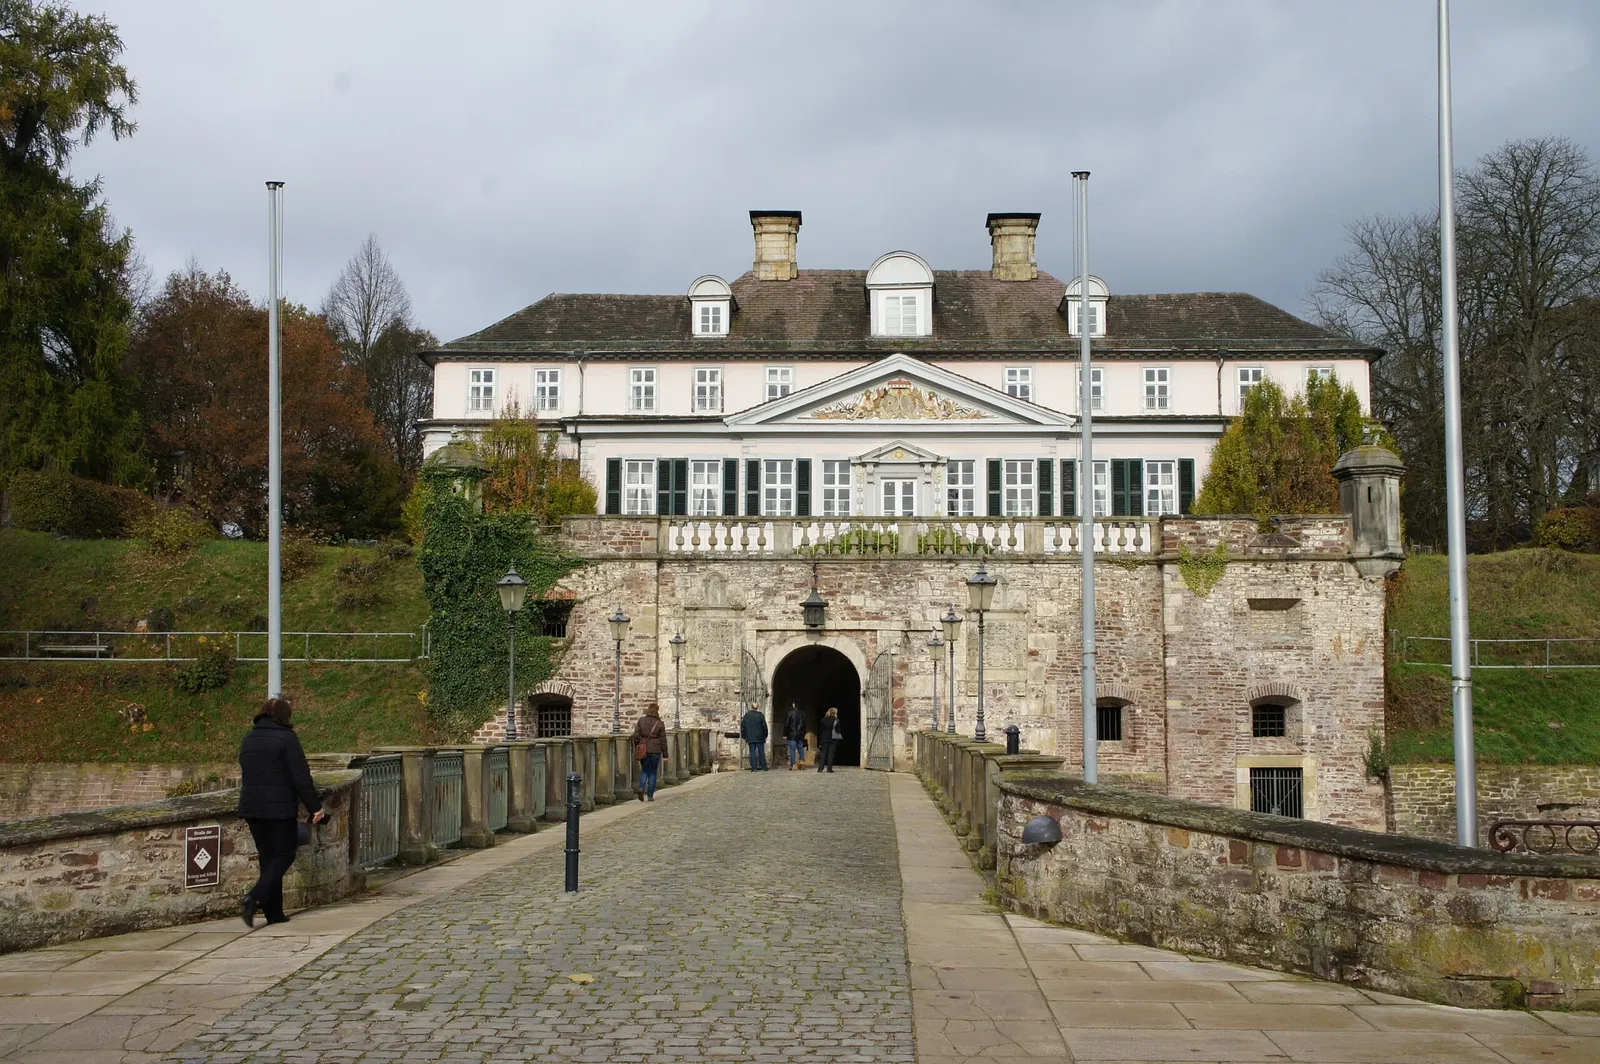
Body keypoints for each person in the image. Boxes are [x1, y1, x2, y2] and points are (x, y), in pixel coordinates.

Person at [238, 697, 325, 927]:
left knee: (268, 858)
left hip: (252, 808)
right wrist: (315, 807)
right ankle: (253, 897)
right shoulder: (286, 738)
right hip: (278, 808)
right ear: (285, 717)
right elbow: (301, 778)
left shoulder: (249, 739)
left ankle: (274, 912)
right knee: (284, 854)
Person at [630, 701, 668, 802]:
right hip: (655, 750)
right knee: (653, 773)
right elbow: (663, 740)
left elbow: (636, 736)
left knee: (645, 771)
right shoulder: (659, 723)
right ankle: (650, 796)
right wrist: (665, 755)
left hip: (644, 749)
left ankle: (641, 788)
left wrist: (637, 745)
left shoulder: (641, 721)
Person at [740, 700, 769, 771]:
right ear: (757, 707)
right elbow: (764, 726)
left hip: (750, 737)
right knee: (761, 752)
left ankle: (754, 767)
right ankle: (764, 766)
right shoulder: (760, 715)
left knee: (752, 753)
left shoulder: (747, 715)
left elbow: (743, 726)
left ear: (751, 707)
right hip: (760, 737)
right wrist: (765, 734)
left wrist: (744, 736)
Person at [784, 701, 807, 770]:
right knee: (801, 749)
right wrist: (803, 734)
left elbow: (786, 724)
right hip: (800, 734)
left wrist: (785, 734)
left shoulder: (790, 712)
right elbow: (804, 725)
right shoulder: (803, 713)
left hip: (792, 734)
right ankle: (802, 763)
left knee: (792, 750)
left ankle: (793, 765)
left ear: (794, 704)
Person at [817, 706, 841, 773]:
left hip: (824, 738)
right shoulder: (836, 720)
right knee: (831, 754)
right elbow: (838, 731)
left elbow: (820, 731)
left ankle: (820, 768)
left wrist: (820, 740)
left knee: (823, 753)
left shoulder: (823, 720)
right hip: (833, 739)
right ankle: (829, 769)